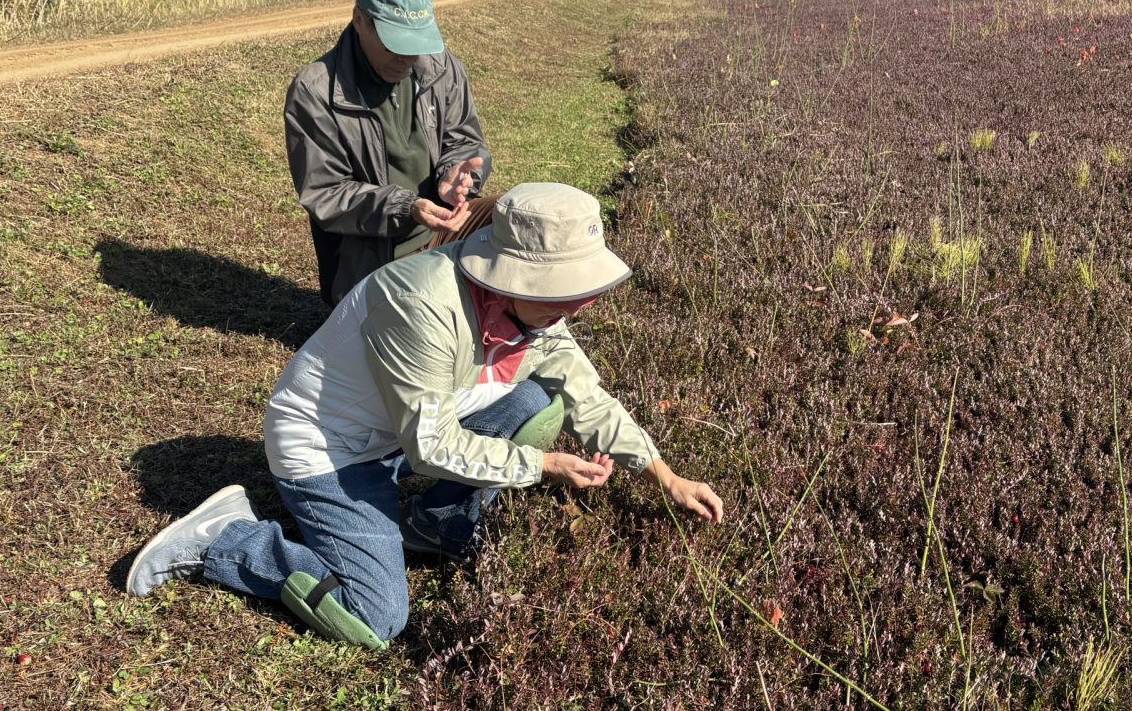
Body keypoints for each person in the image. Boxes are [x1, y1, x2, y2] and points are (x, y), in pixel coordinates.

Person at [126, 183, 724, 648]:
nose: (584, 299)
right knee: (374, 615)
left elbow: (587, 393)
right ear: (515, 273)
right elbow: (432, 448)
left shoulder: (532, 305)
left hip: (397, 429)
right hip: (330, 448)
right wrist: (540, 465)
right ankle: (226, 540)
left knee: (547, 400)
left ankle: (431, 525)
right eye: (567, 287)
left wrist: (666, 478)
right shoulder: (420, 302)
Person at [286, 0, 497, 306]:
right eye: (394, 44)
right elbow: (325, 192)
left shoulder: (442, 67)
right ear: (359, 21)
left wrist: (459, 175)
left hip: (444, 227)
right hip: (374, 258)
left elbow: (465, 140)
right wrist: (406, 208)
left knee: (520, 217)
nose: (407, 58)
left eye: (416, 44)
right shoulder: (315, 91)